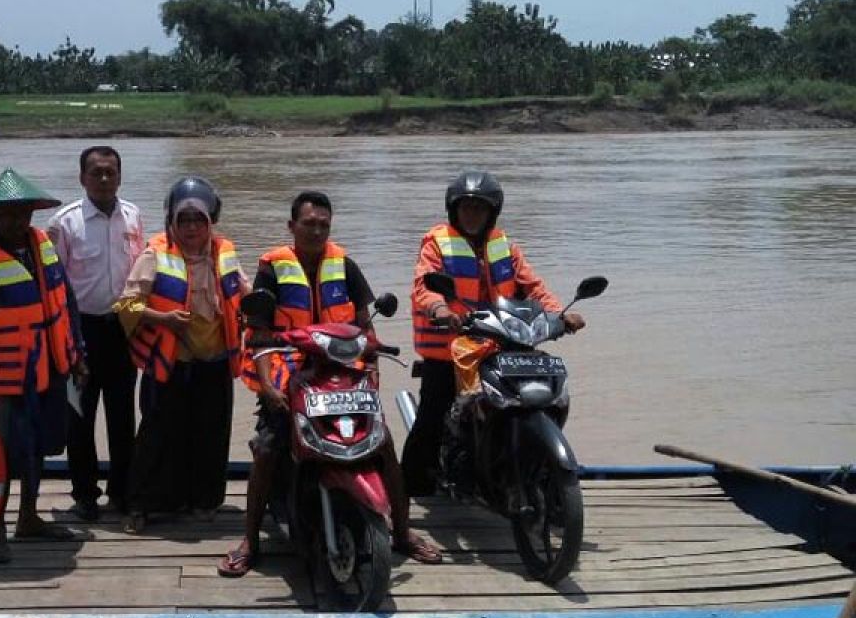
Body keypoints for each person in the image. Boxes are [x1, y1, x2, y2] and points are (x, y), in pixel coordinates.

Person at [217, 190, 442, 577]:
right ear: (292, 227)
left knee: (384, 444)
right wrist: (269, 388)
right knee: (269, 446)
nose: (317, 230)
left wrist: (371, 370)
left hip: (342, 370)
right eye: (309, 224)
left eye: (324, 224)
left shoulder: (345, 265)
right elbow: (258, 331)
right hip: (291, 370)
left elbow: (365, 323)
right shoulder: (273, 268)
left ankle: (403, 532)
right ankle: (250, 541)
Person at [400, 169, 585, 496]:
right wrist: (439, 309)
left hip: (502, 342)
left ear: (491, 212)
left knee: (539, 394)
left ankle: (538, 470)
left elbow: (533, 287)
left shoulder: (505, 246)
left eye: (479, 208)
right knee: (434, 412)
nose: (472, 214)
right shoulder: (436, 244)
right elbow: (423, 286)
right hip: (453, 348)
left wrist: (560, 315)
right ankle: (409, 488)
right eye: (466, 207)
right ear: (454, 210)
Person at [0, 168, 89, 564]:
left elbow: (68, 300)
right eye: (7, 214)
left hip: (50, 369)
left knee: (39, 448)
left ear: (32, 212)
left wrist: (78, 352)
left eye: (22, 212)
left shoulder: (41, 244)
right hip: (8, 381)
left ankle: (28, 517)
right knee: (3, 454)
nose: (16, 221)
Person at [114, 176, 249, 534]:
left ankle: (203, 501)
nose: (191, 228)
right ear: (171, 222)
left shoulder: (224, 252)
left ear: (210, 222)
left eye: (198, 220)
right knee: (157, 435)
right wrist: (164, 318)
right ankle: (141, 505)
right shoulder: (154, 253)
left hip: (215, 362)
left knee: (211, 433)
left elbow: (245, 293)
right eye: (184, 220)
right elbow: (127, 304)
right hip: (170, 362)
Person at [47, 146, 144, 522]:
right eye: (96, 173)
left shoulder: (133, 215)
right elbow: (53, 286)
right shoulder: (65, 222)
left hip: (122, 328)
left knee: (122, 416)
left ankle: (121, 492)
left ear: (120, 176)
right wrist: (66, 342)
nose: (104, 179)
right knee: (79, 418)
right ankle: (85, 494)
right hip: (80, 329)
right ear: (82, 178)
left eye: (110, 172)